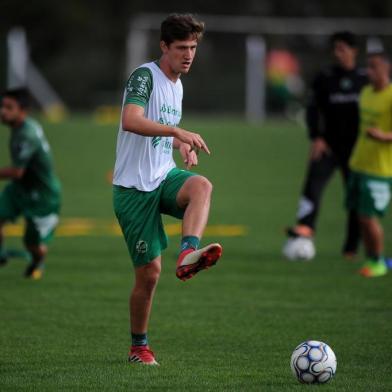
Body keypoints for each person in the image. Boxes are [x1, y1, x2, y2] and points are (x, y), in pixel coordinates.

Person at [112, 14, 223, 366]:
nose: (188, 55)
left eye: (193, 48)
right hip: (133, 190)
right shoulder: (144, 76)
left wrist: (179, 147)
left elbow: (161, 129)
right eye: (181, 48)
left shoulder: (177, 84)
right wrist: (177, 134)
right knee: (149, 276)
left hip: (162, 176)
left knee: (202, 186)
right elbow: (131, 120)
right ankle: (138, 347)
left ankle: (188, 253)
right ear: (164, 46)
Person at [286, 31, 368, 258]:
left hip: (356, 149)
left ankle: (351, 246)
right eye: (335, 49)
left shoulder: (365, 79)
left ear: (354, 51)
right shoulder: (324, 77)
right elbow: (313, 110)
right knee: (312, 187)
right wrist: (317, 137)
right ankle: (305, 227)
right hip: (328, 146)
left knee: (354, 196)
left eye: (342, 48)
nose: (338, 53)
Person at [0, 88, 61, 279]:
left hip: (42, 197)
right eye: (2, 106)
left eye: (9, 107)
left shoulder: (27, 134)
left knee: (33, 245)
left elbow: (17, 172)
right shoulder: (24, 126)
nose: (3, 111)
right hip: (21, 188)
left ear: (23, 110)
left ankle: (37, 261)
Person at [347, 52, 392, 278]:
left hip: (380, 169)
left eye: (374, 67)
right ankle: (373, 258)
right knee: (360, 216)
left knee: (368, 216)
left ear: (386, 69)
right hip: (359, 164)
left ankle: (379, 261)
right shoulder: (365, 93)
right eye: (368, 67)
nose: (369, 72)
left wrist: (384, 137)